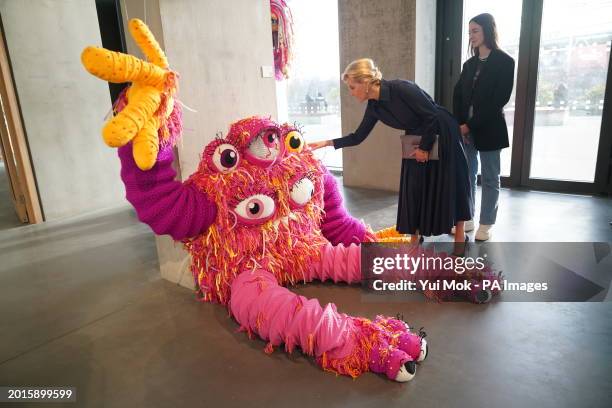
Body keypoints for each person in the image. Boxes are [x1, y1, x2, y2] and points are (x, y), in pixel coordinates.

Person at [309, 58, 473, 253]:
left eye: (352, 87)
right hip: (415, 137)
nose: (351, 93)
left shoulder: (401, 88)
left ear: (365, 82)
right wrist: (328, 143)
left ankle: (460, 237)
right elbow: (358, 136)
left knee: (450, 184)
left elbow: (432, 115)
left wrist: (424, 147)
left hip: (443, 131)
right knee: (413, 188)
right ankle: (414, 239)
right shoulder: (374, 107)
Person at [453, 13, 515, 241]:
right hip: (466, 132)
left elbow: (498, 100)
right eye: (469, 31)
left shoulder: (505, 62)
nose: (471, 36)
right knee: (467, 176)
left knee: (490, 178)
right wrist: (460, 124)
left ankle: (486, 223)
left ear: (488, 30)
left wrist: (468, 125)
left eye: (475, 30)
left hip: (489, 130)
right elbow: (458, 95)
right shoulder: (468, 64)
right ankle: (467, 218)